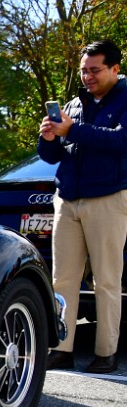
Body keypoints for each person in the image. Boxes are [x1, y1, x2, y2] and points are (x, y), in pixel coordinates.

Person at [39, 39, 127, 374]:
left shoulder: (125, 99)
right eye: (83, 71)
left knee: (106, 280)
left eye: (94, 70)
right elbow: (53, 155)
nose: (87, 76)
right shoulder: (75, 104)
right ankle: (62, 348)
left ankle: (106, 353)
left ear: (114, 69)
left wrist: (73, 129)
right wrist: (48, 136)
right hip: (68, 199)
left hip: (108, 198)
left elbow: (120, 141)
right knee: (63, 279)